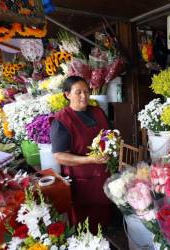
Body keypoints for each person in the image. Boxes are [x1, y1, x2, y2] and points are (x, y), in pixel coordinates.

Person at [50, 76, 112, 233]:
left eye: (86, 91)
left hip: (104, 175)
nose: (84, 96)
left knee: (104, 213)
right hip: (82, 181)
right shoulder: (62, 120)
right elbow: (59, 156)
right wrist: (89, 159)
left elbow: (110, 135)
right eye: (78, 92)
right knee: (85, 223)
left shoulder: (97, 112)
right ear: (67, 94)